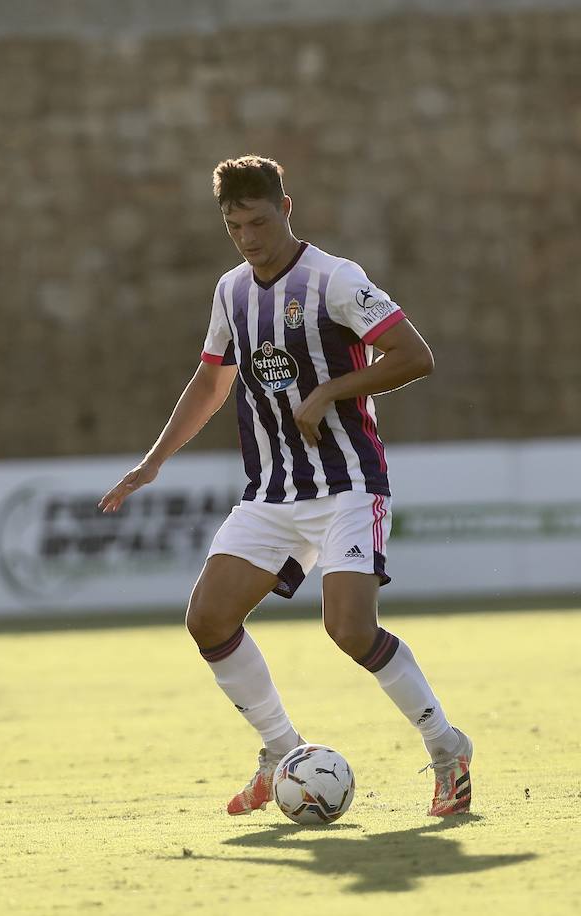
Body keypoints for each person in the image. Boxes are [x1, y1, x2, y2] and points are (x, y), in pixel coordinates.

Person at [99, 156, 471, 816]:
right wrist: (155, 460)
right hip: (273, 491)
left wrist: (331, 389)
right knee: (207, 618)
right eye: (234, 225)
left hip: (349, 482)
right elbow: (212, 381)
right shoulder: (230, 293)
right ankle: (280, 748)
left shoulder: (335, 279)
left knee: (349, 629)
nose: (249, 237)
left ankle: (447, 748)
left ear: (287, 208)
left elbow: (416, 355)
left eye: (260, 221)